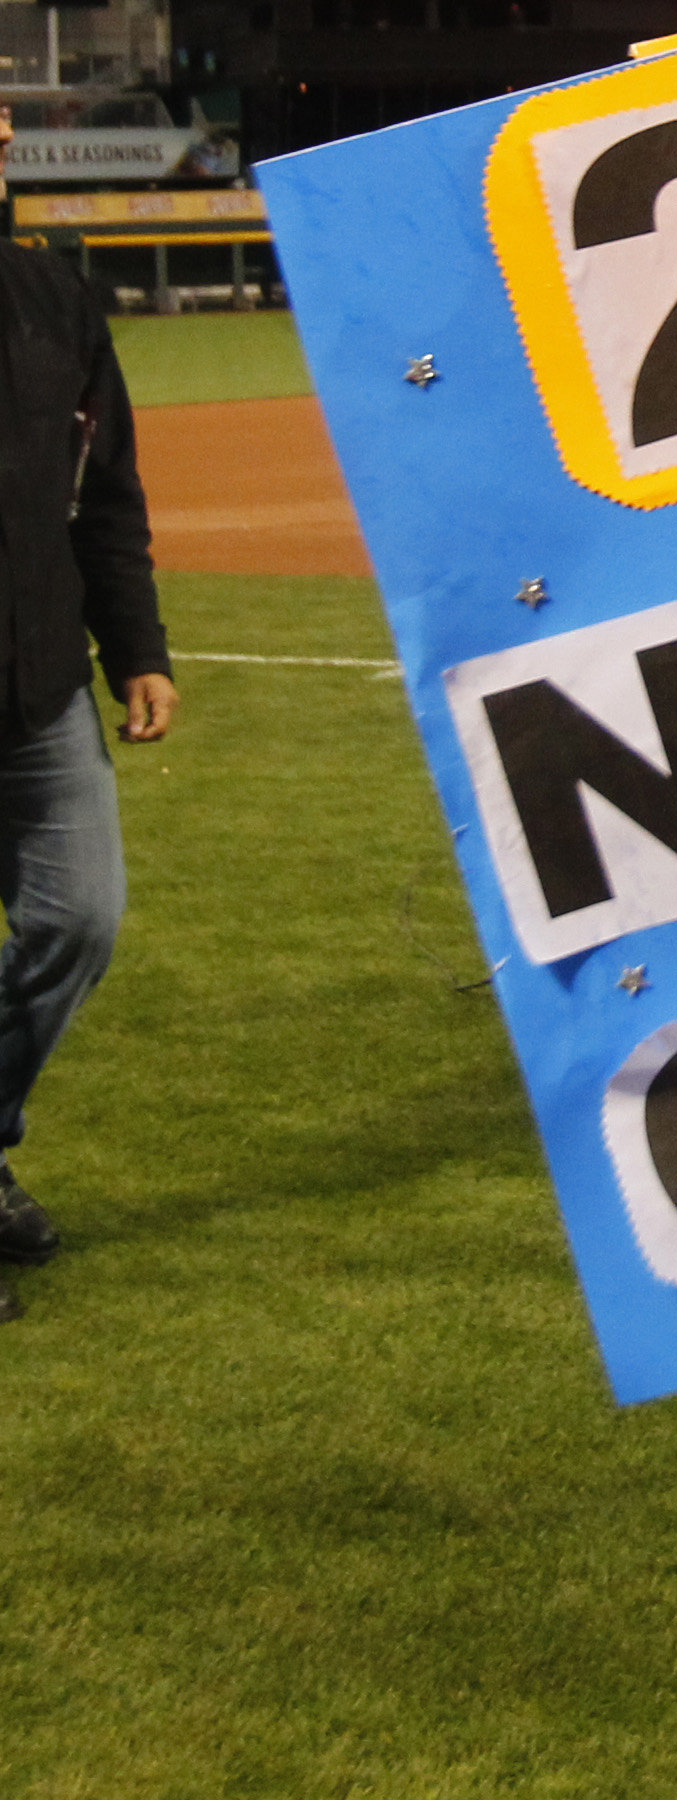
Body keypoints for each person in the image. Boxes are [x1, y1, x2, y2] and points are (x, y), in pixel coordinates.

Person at [0, 98, 180, 1329]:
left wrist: (138, 650)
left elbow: (102, 494)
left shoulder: (55, 298)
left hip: (35, 684)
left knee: (82, 918)